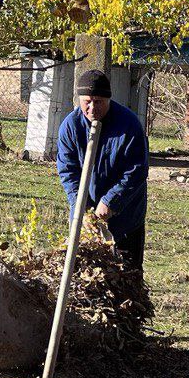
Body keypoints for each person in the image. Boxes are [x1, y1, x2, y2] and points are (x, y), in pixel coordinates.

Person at [56, 69, 149, 271]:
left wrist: (110, 201)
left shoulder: (129, 125)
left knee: (127, 272)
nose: (91, 108)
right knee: (85, 272)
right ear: (79, 99)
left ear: (108, 100)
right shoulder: (70, 127)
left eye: (98, 102)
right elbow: (67, 170)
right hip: (86, 211)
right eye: (87, 101)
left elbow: (137, 170)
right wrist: (80, 205)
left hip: (126, 215)